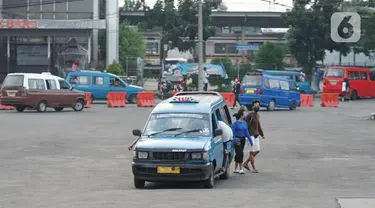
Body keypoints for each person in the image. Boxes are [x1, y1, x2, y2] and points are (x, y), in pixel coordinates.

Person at [243, 100, 265, 173]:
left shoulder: (257, 115)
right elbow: (244, 123)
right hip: (250, 135)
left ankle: (246, 163)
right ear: (252, 107)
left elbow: (258, 125)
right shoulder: (250, 115)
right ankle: (253, 168)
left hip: (256, 135)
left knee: (257, 150)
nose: (257, 107)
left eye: (258, 106)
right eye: (256, 106)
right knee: (251, 152)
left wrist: (262, 134)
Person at [232, 109, 253, 174]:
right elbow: (232, 133)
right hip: (237, 139)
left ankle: (236, 168)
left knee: (239, 153)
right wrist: (234, 139)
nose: (245, 115)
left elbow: (246, 132)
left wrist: (250, 140)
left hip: (243, 139)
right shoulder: (235, 124)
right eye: (244, 114)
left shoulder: (244, 123)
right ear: (241, 115)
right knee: (239, 153)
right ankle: (240, 168)